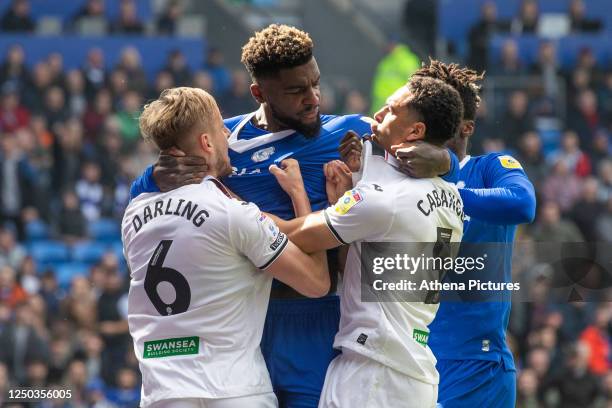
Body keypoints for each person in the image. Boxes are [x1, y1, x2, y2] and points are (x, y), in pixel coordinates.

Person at [128, 24, 460, 408]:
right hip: (245, 327)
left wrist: (445, 159)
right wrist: (150, 176)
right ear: (260, 93)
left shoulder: (348, 132)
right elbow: (149, 204)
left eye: (315, 84)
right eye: (296, 90)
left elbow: (427, 172)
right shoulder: (223, 142)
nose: (313, 98)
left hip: (319, 322)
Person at [342, 59, 536, 407]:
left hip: (475, 363)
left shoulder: (488, 167)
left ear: (465, 128)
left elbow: (522, 203)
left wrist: (449, 177)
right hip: (400, 358)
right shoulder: (392, 179)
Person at [122, 87, 330, 408]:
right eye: (221, 129)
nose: (227, 136)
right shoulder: (234, 214)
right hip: (235, 391)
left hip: (162, 393)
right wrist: (301, 197)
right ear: (206, 142)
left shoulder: (133, 215)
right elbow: (316, 282)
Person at [270, 76, 465, 407]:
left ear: (415, 132)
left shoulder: (382, 200)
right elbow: (356, 268)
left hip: (374, 375)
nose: (377, 113)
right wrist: (345, 200)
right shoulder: (452, 199)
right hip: (411, 368)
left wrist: (227, 205)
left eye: (391, 111)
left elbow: (296, 236)